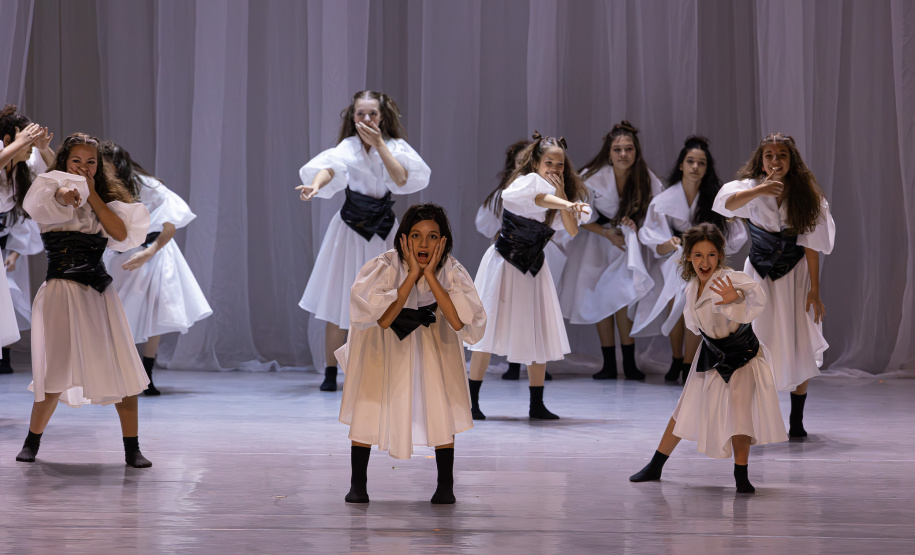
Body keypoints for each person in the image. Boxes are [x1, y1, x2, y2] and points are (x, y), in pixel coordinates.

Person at [14, 133, 153, 467]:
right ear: (65, 161)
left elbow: (120, 234)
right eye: (77, 160)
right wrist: (69, 190)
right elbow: (58, 195)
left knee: (123, 370)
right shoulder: (50, 188)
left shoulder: (104, 198)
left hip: (99, 294)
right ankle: (32, 442)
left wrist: (92, 197)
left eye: (91, 161)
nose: (85, 167)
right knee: (54, 372)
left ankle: (132, 448)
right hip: (61, 292)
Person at [336, 204, 486, 504]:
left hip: (433, 346)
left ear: (443, 241)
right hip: (385, 345)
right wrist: (412, 275)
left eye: (432, 236)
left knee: (440, 404)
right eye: (416, 235)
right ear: (404, 238)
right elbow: (383, 318)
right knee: (371, 402)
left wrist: (430, 276)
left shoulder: (451, 271)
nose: (423, 244)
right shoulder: (383, 266)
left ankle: (446, 485)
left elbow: (459, 322)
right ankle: (358, 483)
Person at [629, 223, 787, 493]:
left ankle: (741, 475)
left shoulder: (730, 279)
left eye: (711, 254)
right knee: (683, 409)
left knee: (740, 415)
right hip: (711, 353)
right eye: (699, 255)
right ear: (689, 256)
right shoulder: (692, 287)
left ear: (720, 256)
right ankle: (656, 464)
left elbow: (756, 297)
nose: (705, 261)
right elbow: (695, 325)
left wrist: (734, 298)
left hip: (741, 356)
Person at [297, 90, 431, 392]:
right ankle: (331, 372)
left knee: (388, 300)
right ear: (353, 117)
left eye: (372, 113)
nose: (366, 119)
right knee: (339, 298)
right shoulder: (348, 147)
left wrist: (380, 145)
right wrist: (314, 187)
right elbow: (329, 168)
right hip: (350, 230)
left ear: (382, 116)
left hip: (383, 232)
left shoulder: (396, 147)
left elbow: (400, 179)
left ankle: (384, 368)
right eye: (361, 114)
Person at [713, 133, 835, 437]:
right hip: (759, 275)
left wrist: (815, 289)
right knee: (756, 339)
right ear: (761, 159)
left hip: (795, 276)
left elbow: (812, 245)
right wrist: (761, 190)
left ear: (791, 160)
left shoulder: (807, 195)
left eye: (782, 155)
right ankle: (753, 416)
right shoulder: (748, 187)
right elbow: (726, 204)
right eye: (769, 155)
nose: (775, 161)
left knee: (798, 340)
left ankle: (796, 420)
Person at [467, 132, 590, 420]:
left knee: (537, 331)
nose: (555, 170)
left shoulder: (560, 195)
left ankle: (537, 404)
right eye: (549, 163)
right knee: (486, 331)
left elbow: (572, 230)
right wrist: (563, 203)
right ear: (536, 162)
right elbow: (538, 198)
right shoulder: (525, 183)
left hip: (534, 267)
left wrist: (564, 198)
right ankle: (471, 402)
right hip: (504, 263)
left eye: (560, 165)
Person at [100, 141, 212, 395]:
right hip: (121, 253)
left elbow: (171, 223)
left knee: (156, 310)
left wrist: (148, 252)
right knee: (117, 313)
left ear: (116, 166)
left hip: (153, 252)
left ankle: (147, 374)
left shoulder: (147, 185)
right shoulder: (99, 186)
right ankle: (117, 373)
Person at [633, 136, 747, 383]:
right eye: (691, 161)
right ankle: (677, 359)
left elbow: (734, 234)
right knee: (679, 296)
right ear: (682, 165)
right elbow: (653, 235)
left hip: (706, 262)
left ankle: (688, 362)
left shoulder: (716, 199)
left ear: (707, 168)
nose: (695, 167)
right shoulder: (664, 199)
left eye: (701, 163)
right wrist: (670, 242)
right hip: (676, 259)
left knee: (696, 299)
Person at [558, 121, 662, 380]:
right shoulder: (591, 177)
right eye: (618, 149)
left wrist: (633, 224)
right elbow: (577, 215)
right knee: (600, 300)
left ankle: (628, 363)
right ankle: (607, 363)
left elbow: (656, 212)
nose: (623, 154)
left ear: (636, 151)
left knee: (623, 298)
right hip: (597, 243)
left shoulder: (646, 178)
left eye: (628, 149)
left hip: (626, 244)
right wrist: (606, 232)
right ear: (609, 152)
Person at [476, 139, 562, 381]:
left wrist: (564, 198)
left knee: (534, 319)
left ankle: (537, 398)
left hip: (533, 259)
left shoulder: (548, 191)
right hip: (507, 257)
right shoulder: (513, 189)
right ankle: (475, 398)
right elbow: (489, 222)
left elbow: (562, 223)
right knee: (494, 316)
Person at [0, 106, 54, 373]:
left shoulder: (24, 161)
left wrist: (42, 148)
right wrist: (19, 144)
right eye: (27, 142)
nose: (30, 148)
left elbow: (56, 172)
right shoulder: (5, 152)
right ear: (8, 140)